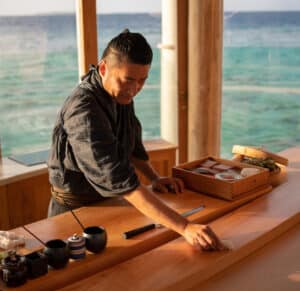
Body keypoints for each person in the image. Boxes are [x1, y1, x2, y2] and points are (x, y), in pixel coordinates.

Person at [47, 29, 226, 251]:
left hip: (111, 202)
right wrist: (185, 227)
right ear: (103, 69)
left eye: (142, 80)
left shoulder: (119, 93)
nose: (134, 89)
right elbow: (118, 178)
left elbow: (131, 144)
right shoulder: (83, 110)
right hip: (73, 212)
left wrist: (154, 178)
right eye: (129, 80)